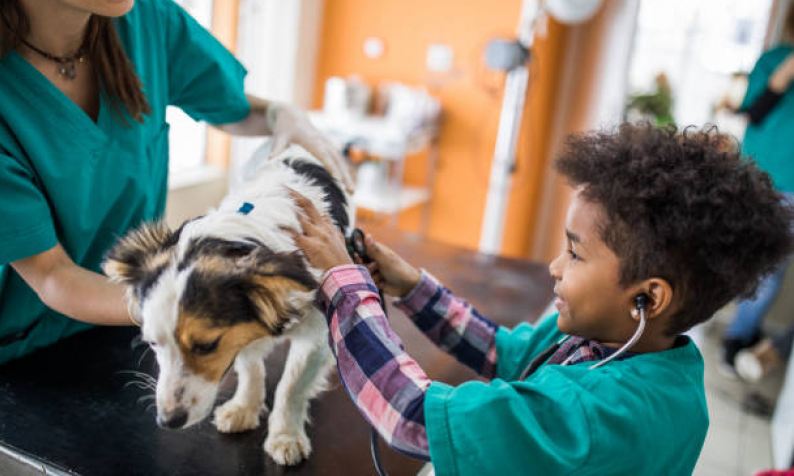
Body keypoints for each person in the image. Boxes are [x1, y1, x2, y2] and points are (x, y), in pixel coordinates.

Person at [291, 123, 793, 475]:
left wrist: (345, 286)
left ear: (647, 298)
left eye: (575, 254)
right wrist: (412, 289)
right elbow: (505, 353)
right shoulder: (617, 340)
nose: (555, 266)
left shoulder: (606, 413)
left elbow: (412, 417)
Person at [0, 0, 353, 367]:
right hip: (22, 350)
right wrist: (171, 302)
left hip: (132, 324)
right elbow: (52, 276)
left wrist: (281, 115)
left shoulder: (145, 19)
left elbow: (234, 111)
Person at [720, 0, 794, 377]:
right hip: (768, 180)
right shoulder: (775, 59)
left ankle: (745, 335)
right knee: (766, 268)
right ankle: (737, 340)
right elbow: (756, 109)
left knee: (770, 269)